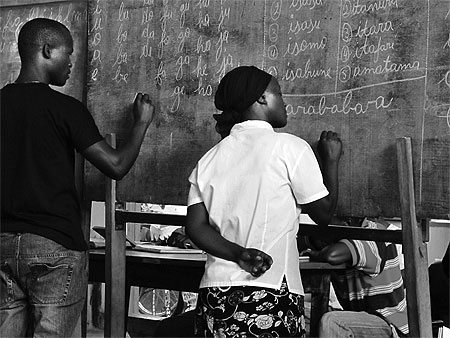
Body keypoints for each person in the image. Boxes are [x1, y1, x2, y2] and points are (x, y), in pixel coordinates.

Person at [0, 18, 155, 337]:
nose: (71, 63)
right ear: (46, 51)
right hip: (53, 245)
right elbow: (115, 165)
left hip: (2, 244)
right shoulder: (65, 109)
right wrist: (140, 123)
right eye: (67, 53)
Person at [185, 65, 342, 337]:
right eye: (279, 93)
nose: (284, 102)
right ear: (261, 99)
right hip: (269, 292)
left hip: (215, 295)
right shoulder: (290, 148)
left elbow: (195, 227)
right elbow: (324, 214)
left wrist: (238, 254)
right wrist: (330, 161)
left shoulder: (208, 160)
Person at [304, 218, 409, 338]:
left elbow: (331, 255)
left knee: (332, 322)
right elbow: (311, 240)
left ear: (347, 221)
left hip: (390, 324)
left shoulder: (374, 236)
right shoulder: (341, 237)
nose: (325, 223)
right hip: (361, 316)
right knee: (301, 313)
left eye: (331, 218)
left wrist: (317, 254)